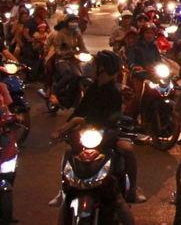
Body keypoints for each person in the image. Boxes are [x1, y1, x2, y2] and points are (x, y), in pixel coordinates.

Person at [50, 50, 143, 221]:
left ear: (103, 69)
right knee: (67, 152)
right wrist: (63, 129)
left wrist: (79, 121)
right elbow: (79, 112)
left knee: (127, 150)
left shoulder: (115, 92)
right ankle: (64, 190)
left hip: (107, 139)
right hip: (88, 137)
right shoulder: (92, 89)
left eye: (94, 65)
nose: (91, 68)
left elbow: (108, 120)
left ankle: (133, 189)